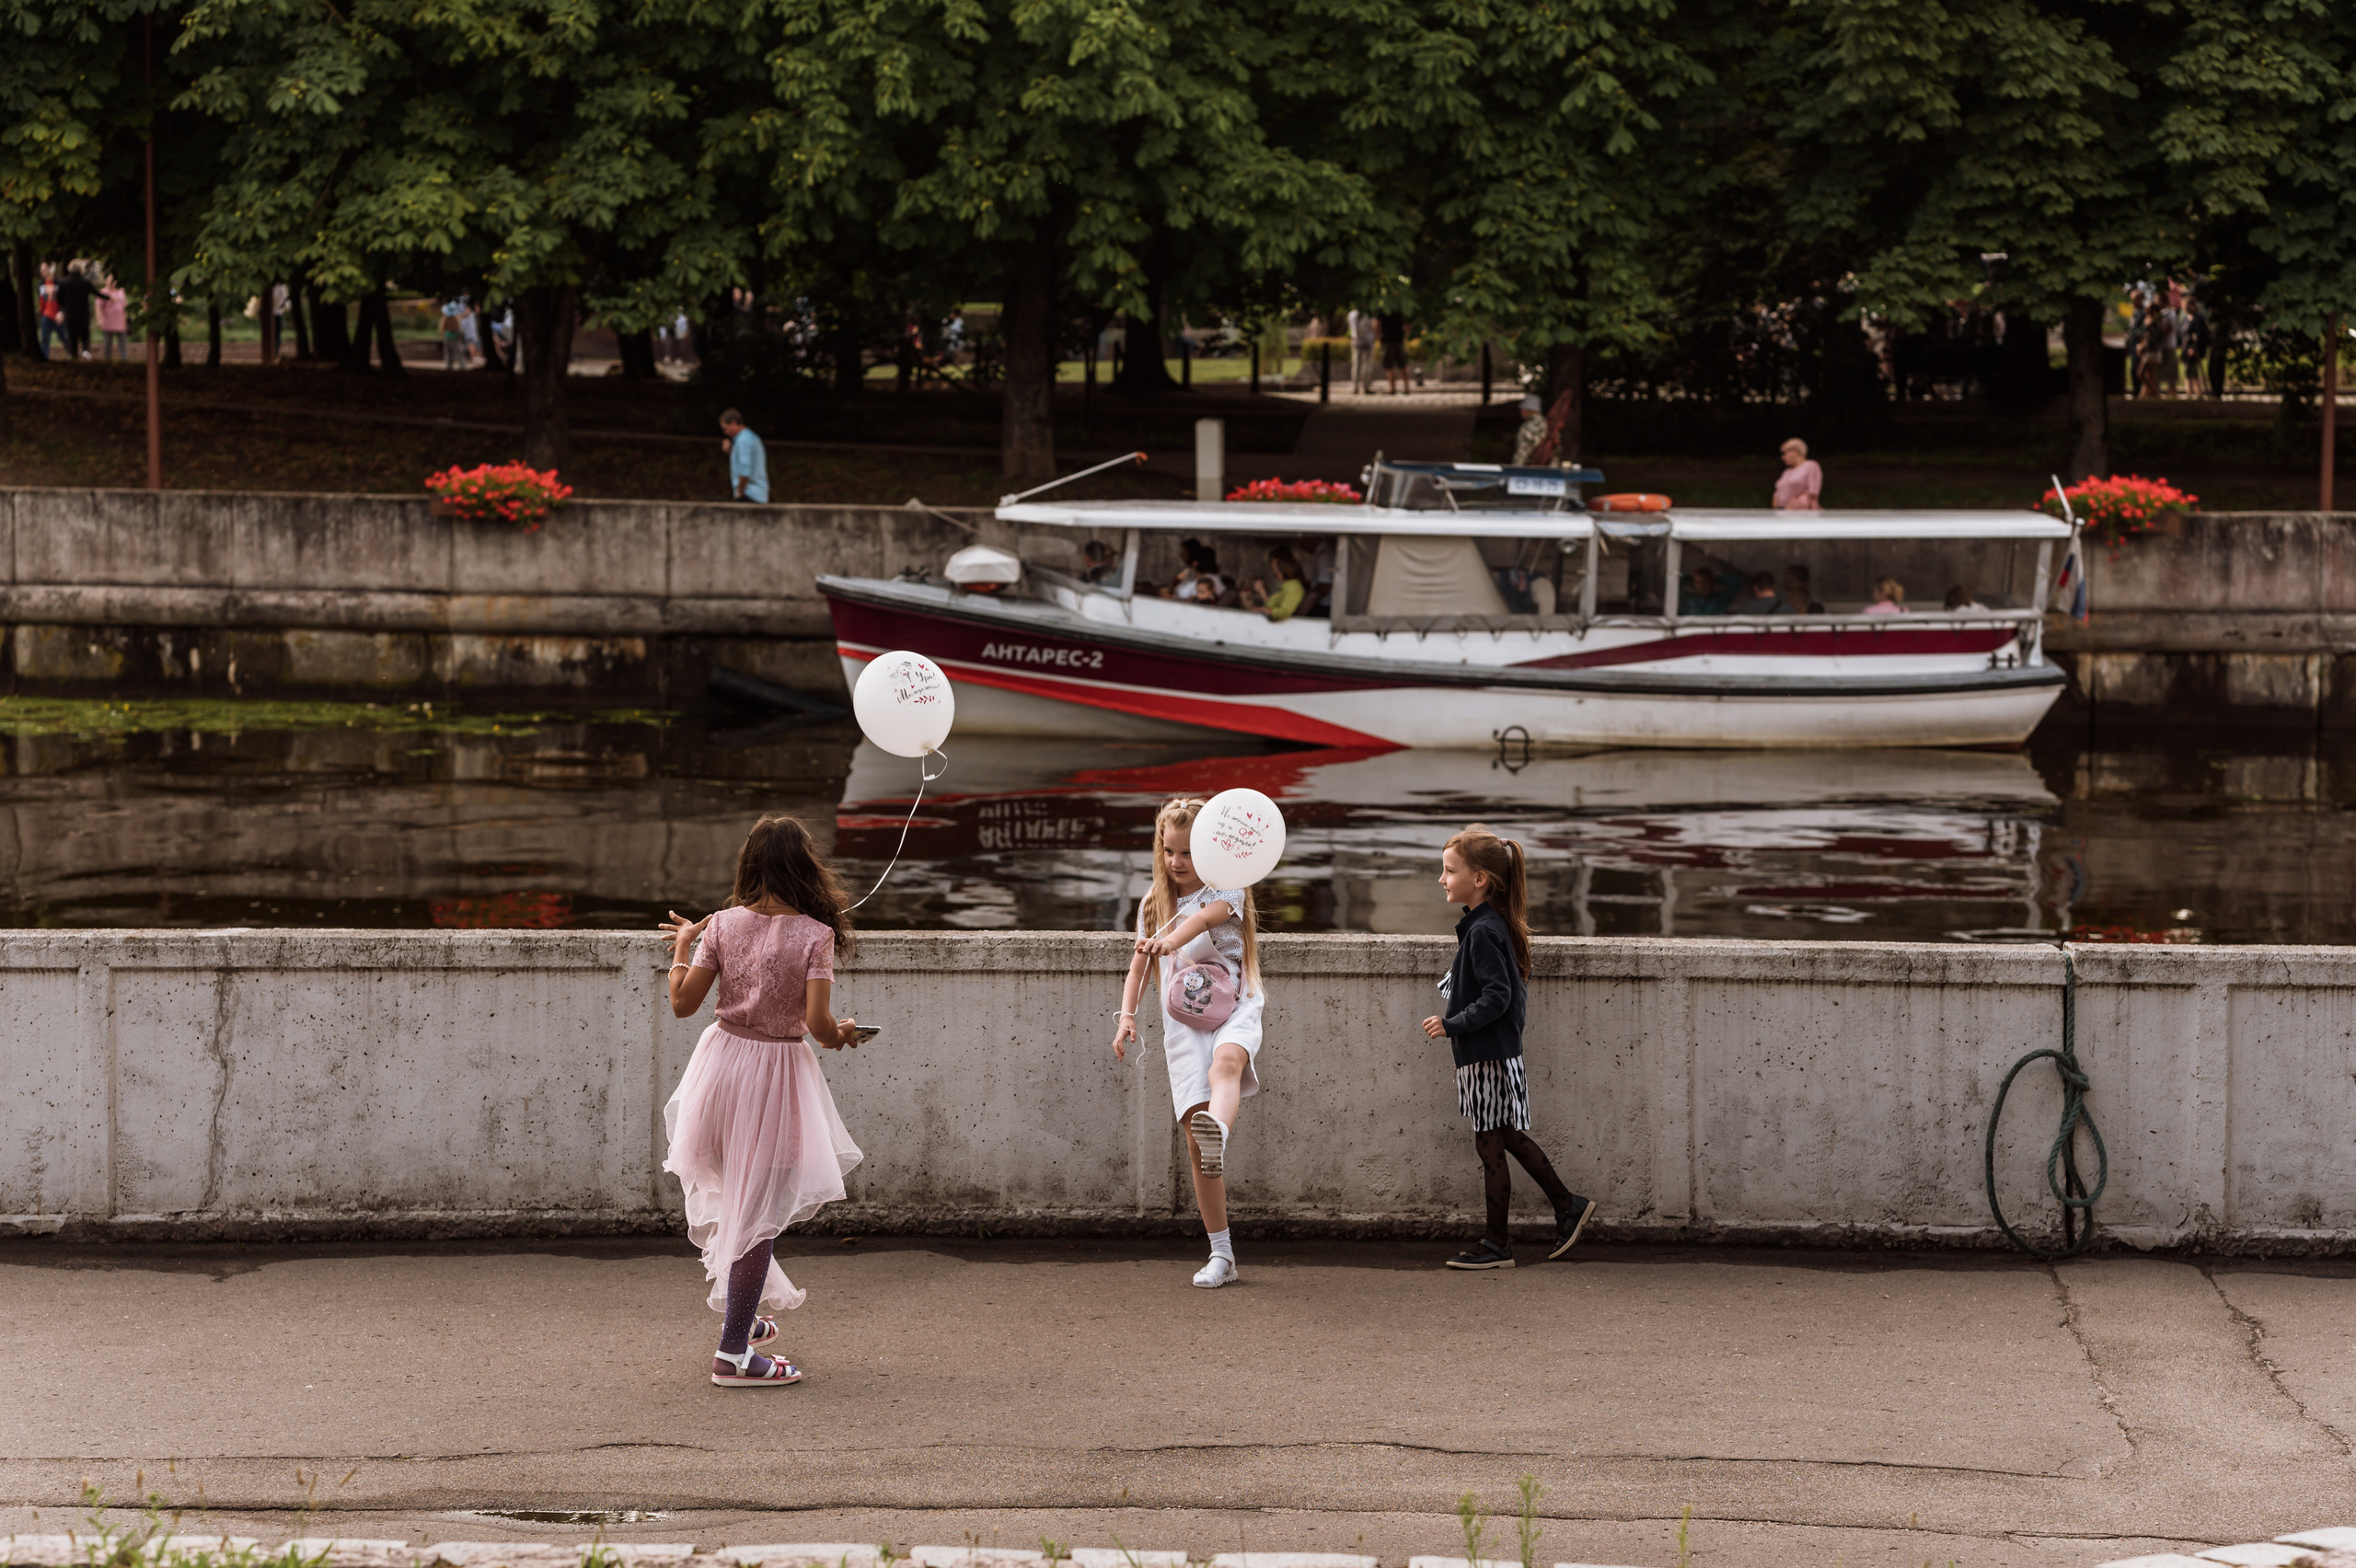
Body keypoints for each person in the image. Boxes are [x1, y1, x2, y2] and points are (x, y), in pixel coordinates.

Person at [658, 814, 866, 1387]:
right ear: (804, 867)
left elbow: (682, 1005)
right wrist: (845, 1032)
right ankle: (732, 1356)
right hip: (776, 1072)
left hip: (720, 1064)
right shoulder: (816, 934)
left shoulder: (721, 925)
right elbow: (821, 1028)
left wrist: (683, 945)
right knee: (761, 1208)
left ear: (750, 864)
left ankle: (742, 1321)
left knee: (737, 1196)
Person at [1421, 824, 1596, 1270]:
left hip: (1487, 1056)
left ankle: (1499, 1244)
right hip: (1495, 1053)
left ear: (1480, 879)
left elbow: (1497, 997)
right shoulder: (1488, 924)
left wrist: (1452, 1024)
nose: (1442, 879)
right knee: (1506, 1138)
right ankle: (1567, 1206)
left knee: (1491, 1144)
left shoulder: (1483, 931)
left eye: (1449, 870)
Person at [1112, 796, 1267, 1289]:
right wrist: (1126, 1017)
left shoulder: (1230, 888)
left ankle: (1218, 1128)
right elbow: (1138, 965)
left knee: (1226, 1066)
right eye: (1169, 852)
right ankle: (1222, 1253)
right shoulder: (1153, 905)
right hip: (1184, 1021)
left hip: (1235, 1003)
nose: (1177, 863)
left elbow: (1204, 919)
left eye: (1188, 853)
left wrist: (1170, 942)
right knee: (1196, 1151)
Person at [1241, 546, 1307, 620]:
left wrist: (1263, 609)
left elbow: (1283, 611)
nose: (1273, 570)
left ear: (1283, 572)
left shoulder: (1294, 587)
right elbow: (1271, 604)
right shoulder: (1286, 586)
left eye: (1277, 571)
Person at [720, 409, 770, 503]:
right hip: (758, 494)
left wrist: (739, 492)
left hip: (749, 494)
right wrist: (730, 451)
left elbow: (745, 469)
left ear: (734, 423)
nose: (725, 432)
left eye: (725, 428)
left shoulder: (743, 440)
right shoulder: (751, 437)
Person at [55, 265, 96, 359]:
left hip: (70, 313)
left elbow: (58, 298)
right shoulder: (85, 282)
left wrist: (64, 306)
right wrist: (108, 298)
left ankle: (73, 354)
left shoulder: (64, 282)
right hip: (83, 313)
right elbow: (95, 292)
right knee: (85, 333)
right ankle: (86, 351)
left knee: (72, 334)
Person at [1772, 438, 1822, 509]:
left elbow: (1813, 492)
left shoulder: (1811, 466)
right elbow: (1778, 493)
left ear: (1795, 451)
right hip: (1782, 513)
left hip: (1802, 514)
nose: (1782, 457)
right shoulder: (1787, 472)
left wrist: (1795, 504)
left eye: (1784, 453)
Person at [95, 282, 130, 362]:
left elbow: (125, 305)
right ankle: (106, 360)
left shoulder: (121, 291)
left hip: (120, 321)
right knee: (107, 342)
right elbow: (98, 306)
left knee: (123, 342)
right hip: (108, 320)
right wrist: (99, 319)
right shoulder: (104, 292)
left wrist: (126, 317)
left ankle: (124, 360)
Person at [1511, 394, 1548, 466]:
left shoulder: (1528, 427)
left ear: (1528, 410)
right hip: (1548, 469)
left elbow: (1522, 452)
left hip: (1530, 469)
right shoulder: (1548, 424)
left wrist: (1515, 470)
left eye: (1522, 409)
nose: (1521, 412)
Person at [1379, 309, 1408, 394]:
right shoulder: (1400, 308)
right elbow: (1407, 325)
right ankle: (1406, 387)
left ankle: (1392, 388)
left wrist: (1378, 337)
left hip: (1388, 341)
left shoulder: (1383, 308)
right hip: (1398, 340)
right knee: (1402, 365)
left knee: (1391, 366)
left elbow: (1376, 324)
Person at [1346, 307, 1372, 394]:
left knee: (1357, 364)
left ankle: (1356, 386)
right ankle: (1365, 386)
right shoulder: (1367, 314)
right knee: (1366, 364)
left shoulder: (1352, 314)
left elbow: (1354, 330)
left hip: (1357, 342)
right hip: (1366, 341)